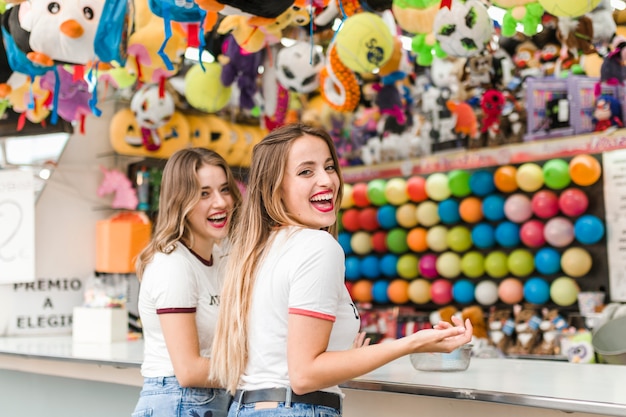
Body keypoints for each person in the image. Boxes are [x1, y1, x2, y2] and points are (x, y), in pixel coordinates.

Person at [210, 124, 473, 417]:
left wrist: (348, 357)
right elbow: (304, 375)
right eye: (306, 172)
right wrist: (413, 343)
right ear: (275, 186)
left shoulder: (255, 250)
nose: (327, 180)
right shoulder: (316, 246)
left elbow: (279, 360)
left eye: (329, 167)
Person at [132, 147, 242, 417]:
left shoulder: (220, 258)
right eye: (204, 193)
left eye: (224, 189)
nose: (220, 202)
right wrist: (265, 369)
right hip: (177, 401)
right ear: (181, 201)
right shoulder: (173, 265)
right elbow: (189, 370)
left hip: (206, 402)